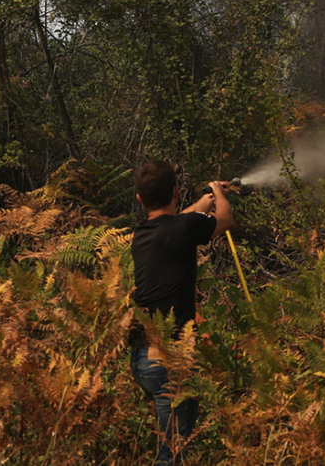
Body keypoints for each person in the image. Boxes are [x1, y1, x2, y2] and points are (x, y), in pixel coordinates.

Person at [129, 160, 234, 465]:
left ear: (140, 199)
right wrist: (218, 194)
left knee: (174, 441)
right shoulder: (185, 228)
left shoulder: (142, 234)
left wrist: (205, 200)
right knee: (172, 454)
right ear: (176, 190)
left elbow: (180, 221)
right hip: (168, 358)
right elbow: (224, 220)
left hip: (142, 358)